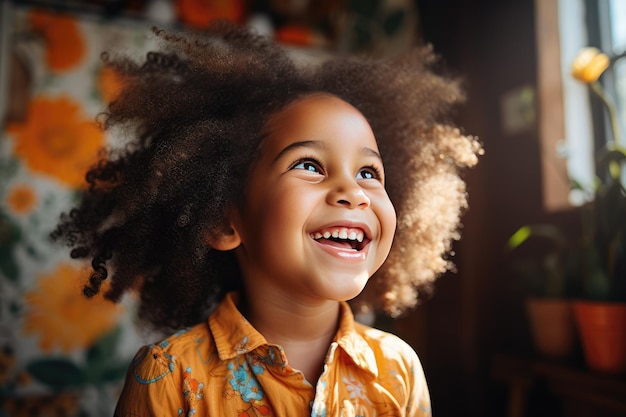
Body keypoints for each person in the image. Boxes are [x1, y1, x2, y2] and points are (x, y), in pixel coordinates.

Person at [52, 21, 482, 417]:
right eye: (310, 165)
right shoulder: (169, 379)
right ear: (223, 220)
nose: (353, 191)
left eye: (369, 172)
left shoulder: (399, 370)